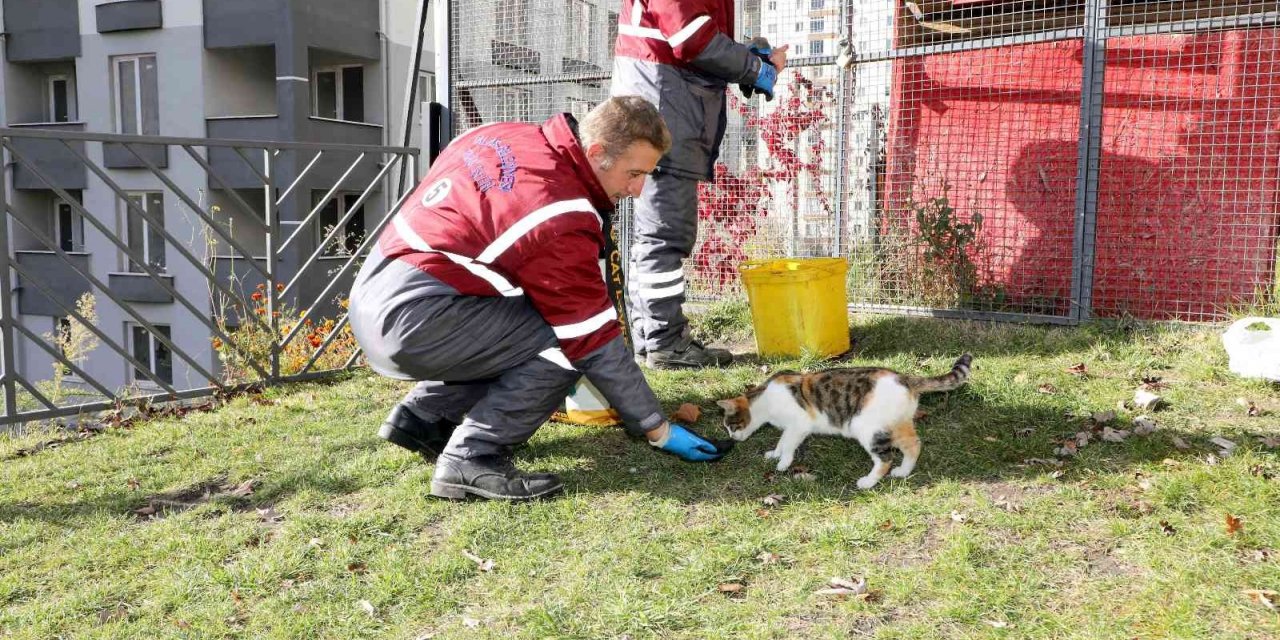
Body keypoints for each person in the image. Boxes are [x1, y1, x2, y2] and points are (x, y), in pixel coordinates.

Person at [348, 97, 728, 502]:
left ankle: (424, 416)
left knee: (517, 328)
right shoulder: (560, 215)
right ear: (596, 152)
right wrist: (657, 428)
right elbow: (593, 342)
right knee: (565, 340)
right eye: (633, 173)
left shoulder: (502, 134)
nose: (637, 190)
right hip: (415, 321)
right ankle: (473, 456)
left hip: (375, 291)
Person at [611, 0, 788, 369]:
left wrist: (746, 59)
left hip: (663, 101)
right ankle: (665, 343)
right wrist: (756, 68)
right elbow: (691, 37)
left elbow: (695, 34)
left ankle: (651, 339)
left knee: (657, 234)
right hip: (665, 105)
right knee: (666, 233)